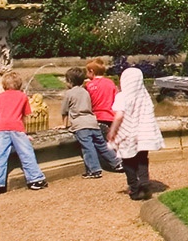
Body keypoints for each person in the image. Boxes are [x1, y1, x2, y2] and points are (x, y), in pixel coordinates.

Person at [0, 70, 48, 195]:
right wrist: (24, 133)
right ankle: (35, 179)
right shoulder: (23, 96)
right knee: (26, 153)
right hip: (17, 128)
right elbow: (24, 116)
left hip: (0, 128)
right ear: (20, 85)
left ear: (4, 85)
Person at [106, 66, 163, 201]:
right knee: (142, 158)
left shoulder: (122, 96)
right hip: (143, 133)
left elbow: (119, 115)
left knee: (128, 161)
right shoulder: (144, 96)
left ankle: (135, 188)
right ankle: (144, 182)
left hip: (127, 133)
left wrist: (112, 130)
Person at [61, 66, 118, 178]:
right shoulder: (85, 91)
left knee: (88, 147)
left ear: (70, 81)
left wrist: (64, 125)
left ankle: (94, 170)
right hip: (93, 122)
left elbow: (64, 111)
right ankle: (117, 162)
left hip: (81, 124)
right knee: (102, 145)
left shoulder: (69, 93)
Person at [82, 59, 124, 174]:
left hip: (98, 117)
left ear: (91, 71)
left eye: (87, 71)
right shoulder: (110, 83)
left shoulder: (89, 85)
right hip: (111, 116)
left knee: (101, 143)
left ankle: (117, 163)